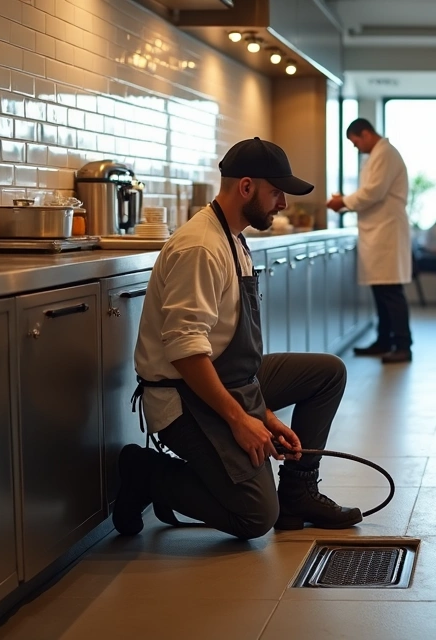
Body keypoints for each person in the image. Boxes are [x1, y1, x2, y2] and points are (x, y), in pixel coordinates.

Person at [118, 137, 361, 540]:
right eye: (275, 192)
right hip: (184, 398)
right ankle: (148, 475)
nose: (282, 204)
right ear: (246, 187)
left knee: (327, 373)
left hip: (233, 379)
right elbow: (185, 351)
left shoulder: (234, 236)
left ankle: (298, 492)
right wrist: (240, 420)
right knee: (255, 517)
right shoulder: (201, 246)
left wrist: (263, 414)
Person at [327, 118, 413, 364]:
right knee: (381, 289)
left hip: (387, 231)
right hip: (378, 230)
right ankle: (384, 340)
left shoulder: (385, 153)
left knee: (391, 290)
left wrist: (342, 202)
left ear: (365, 133)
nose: (356, 147)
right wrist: (345, 202)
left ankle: (403, 345)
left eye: (355, 142)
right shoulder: (378, 154)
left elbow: (374, 192)